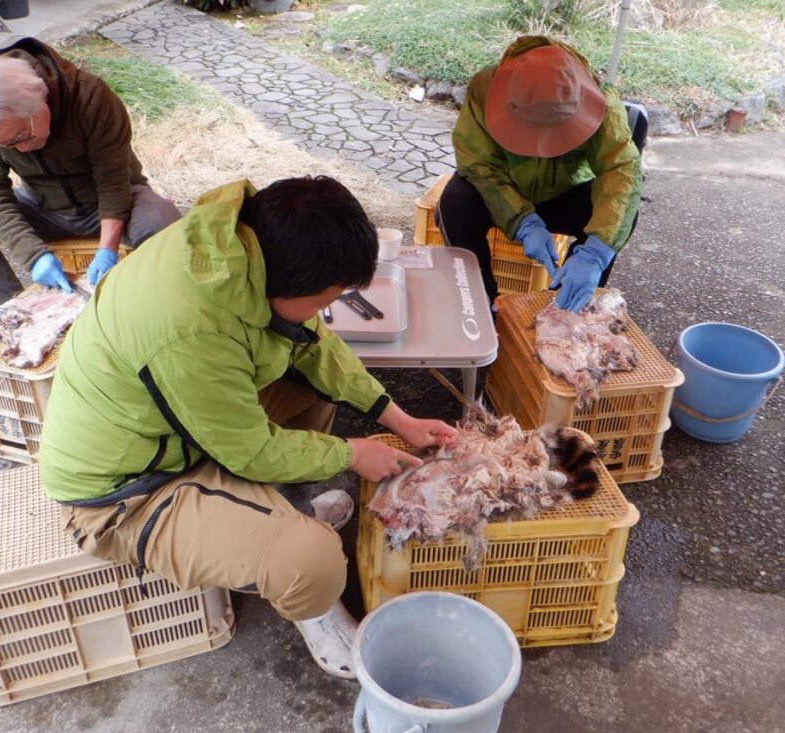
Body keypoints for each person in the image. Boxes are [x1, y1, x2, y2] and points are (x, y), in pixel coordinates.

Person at [38, 176, 458, 679]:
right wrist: (351, 454)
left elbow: (313, 344)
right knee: (315, 562)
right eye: (326, 298)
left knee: (309, 381)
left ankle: (277, 515)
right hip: (125, 494)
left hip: (173, 430)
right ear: (294, 282)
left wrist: (398, 418)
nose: (325, 311)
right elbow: (250, 451)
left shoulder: (239, 251)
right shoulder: (191, 325)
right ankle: (313, 607)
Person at [0, 37, 181, 305]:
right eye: (8, 145)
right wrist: (34, 256)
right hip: (43, 206)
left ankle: (161, 307)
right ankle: (14, 317)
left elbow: (113, 183)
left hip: (113, 198)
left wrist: (107, 249)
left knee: (162, 222)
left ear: (40, 96)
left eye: (22, 135)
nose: (23, 149)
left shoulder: (89, 96)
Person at [438, 36, 642, 312]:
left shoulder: (601, 97)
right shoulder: (484, 88)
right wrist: (522, 220)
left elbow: (620, 170)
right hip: (504, 190)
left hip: (563, 191)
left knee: (620, 216)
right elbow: (479, 164)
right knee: (454, 203)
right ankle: (480, 303)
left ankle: (563, 306)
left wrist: (597, 251)